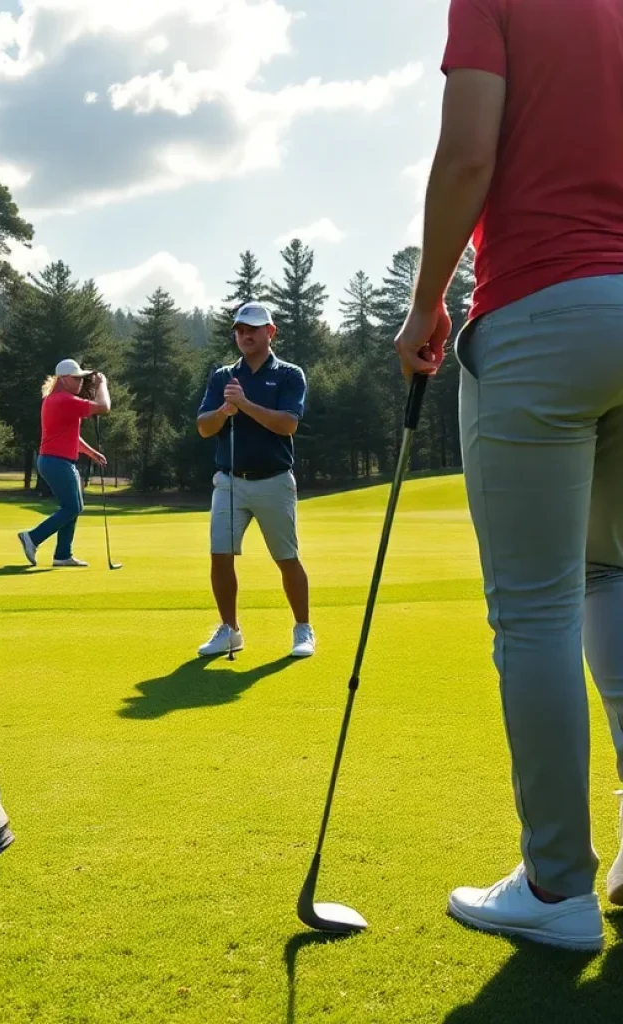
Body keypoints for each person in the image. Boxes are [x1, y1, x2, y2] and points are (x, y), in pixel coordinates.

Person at [395, 0, 623, 951]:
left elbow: (468, 156)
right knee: (612, 576)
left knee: (533, 609)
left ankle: (558, 886)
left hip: (540, 311)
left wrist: (424, 305)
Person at [195, 302, 314, 660]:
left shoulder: (290, 374)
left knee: (286, 557)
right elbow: (204, 427)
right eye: (239, 329)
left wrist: (244, 405)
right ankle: (229, 630)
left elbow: (288, 424)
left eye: (253, 329)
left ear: (270, 332)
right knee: (220, 555)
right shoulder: (223, 377)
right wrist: (224, 411)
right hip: (229, 481)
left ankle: (302, 627)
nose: (245, 335)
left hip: (274, 480)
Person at [18, 359, 110, 568]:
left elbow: (71, 437)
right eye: (77, 378)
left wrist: (92, 453)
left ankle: (62, 555)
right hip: (56, 461)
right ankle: (32, 538)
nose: (80, 382)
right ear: (65, 379)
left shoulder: (58, 400)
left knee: (73, 507)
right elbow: (103, 407)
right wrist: (101, 384)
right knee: (72, 507)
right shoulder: (64, 400)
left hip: (57, 460)